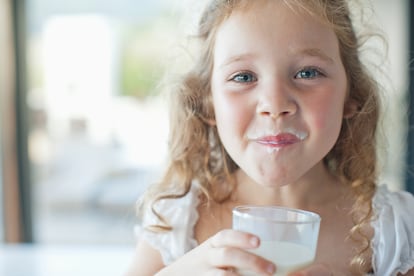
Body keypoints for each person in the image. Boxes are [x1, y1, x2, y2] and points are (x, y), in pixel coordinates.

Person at [126, 0, 414, 275]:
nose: (275, 105)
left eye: (307, 72)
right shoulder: (178, 221)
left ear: (351, 96)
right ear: (208, 102)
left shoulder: (393, 230)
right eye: (243, 77)